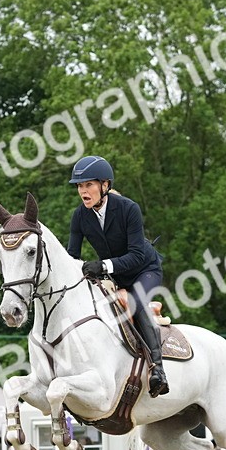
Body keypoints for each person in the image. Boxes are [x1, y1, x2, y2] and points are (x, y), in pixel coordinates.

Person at [66, 155, 169, 397]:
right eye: (80, 186)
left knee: (136, 302)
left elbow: (135, 256)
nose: (83, 191)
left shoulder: (128, 209)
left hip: (145, 269)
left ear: (105, 185)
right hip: (116, 276)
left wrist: (101, 267)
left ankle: (158, 370)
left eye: (88, 184)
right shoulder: (79, 216)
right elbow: (72, 256)